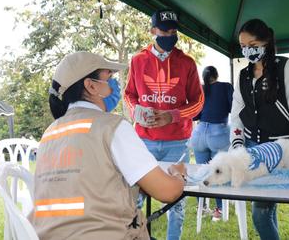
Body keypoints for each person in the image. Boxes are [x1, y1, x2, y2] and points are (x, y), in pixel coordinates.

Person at [29, 51, 187, 240]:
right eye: (109, 77)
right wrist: (179, 173)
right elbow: (167, 191)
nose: (115, 85)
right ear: (91, 86)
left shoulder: (49, 133)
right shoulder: (113, 127)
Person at [230, 19, 289, 240]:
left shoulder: (286, 67)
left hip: (281, 151)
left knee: (260, 213)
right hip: (253, 151)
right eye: (243, 45)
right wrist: (237, 146)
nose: (247, 49)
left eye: (252, 43)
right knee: (266, 209)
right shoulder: (243, 75)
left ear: (266, 41)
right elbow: (236, 115)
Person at [124, 9, 204, 240]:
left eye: (173, 31)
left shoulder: (187, 63)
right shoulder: (138, 60)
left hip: (177, 143)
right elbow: (129, 94)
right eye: (164, 30)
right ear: (153, 31)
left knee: (176, 201)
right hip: (144, 142)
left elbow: (198, 102)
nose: (170, 35)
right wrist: (135, 112)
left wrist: (173, 116)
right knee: (135, 199)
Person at [189, 66, 233, 221]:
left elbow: (195, 115)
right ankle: (219, 210)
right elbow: (233, 107)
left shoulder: (201, 89)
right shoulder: (225, 87)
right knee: (218, 172)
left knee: (202, 172)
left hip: (199, 133)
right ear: (217, 74)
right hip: (218, 133)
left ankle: (202, 208)